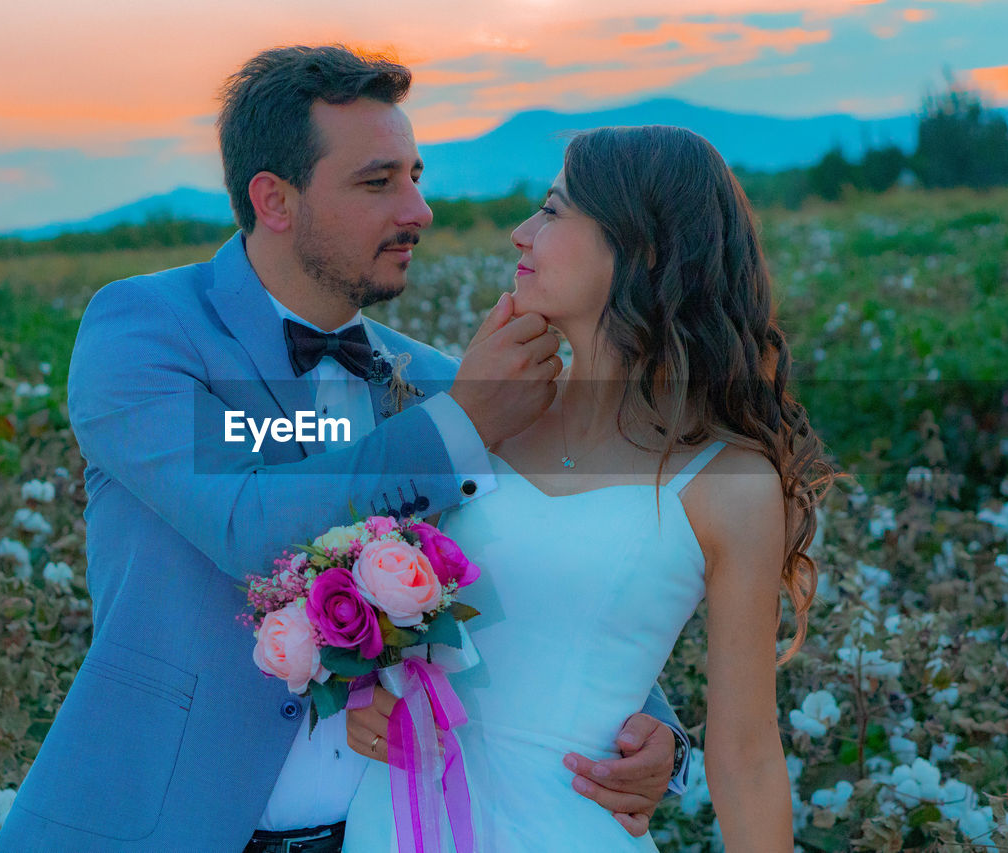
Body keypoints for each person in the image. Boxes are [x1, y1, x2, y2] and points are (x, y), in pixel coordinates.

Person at [0, 47, 691, 853]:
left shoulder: (437, 381)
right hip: (158, 828)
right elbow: (247, 524)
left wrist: (656, 737)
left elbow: (537, 568)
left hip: (386, 831)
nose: (418, 210)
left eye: (417, 176)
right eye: (378, 182)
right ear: (275, 200)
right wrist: (462, 424)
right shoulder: (144, 330)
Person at [342, 125, 835, 852]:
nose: (520, 233)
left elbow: (748, 754)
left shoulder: (728, 482)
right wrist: (362, 692)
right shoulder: (480, 416)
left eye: (551, 209)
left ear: (641, 248)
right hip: (398, 820)